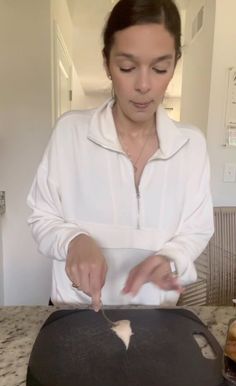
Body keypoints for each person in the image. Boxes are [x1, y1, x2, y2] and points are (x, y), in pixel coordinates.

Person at [27, 0, 214, 311]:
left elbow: (196, 229)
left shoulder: (190, 146)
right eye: (127, 67)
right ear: (107, 63)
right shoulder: (70, 133)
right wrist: (73, 240)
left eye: (160, 68)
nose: (143, 85)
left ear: (175, 64)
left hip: (158, 319)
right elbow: (41, 216)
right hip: (78, 315)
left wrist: (172, 257)